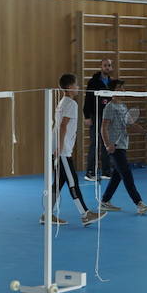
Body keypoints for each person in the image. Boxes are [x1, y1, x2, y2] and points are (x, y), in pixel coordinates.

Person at [48, 73, 104, 227]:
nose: (78, 87)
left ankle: (47, 215)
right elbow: (63, 126)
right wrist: (60, 147)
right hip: (62, 150)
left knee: (58, 184)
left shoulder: (62, 102)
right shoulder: (71, 104)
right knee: (73, 181)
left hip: (59, 148)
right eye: (76, 85)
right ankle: (85, 214)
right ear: (70, 87)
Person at [98, 79, 147, 214]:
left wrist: (144, 131)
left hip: (122, 144)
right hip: (114, 147)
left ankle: (105, 201)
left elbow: (131, 124)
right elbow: (103, 127)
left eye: (123, 87)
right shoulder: (110, 107)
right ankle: (139, 203)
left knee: (117, 175)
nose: (123, 90)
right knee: (126, 173)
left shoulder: (123, 106)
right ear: (113, 91)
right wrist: (107, 144)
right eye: (120, 88)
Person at [83, 59, 115, 181]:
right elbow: (88, 99)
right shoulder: (93, 82)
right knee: (94, 144)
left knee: (107, 143)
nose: (107, 67)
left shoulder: (112, 82)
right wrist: (87, 116)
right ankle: (90, 172)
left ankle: (107, 172)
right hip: (96, 116)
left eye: (109, 66)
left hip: (108, 117)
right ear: (101, 67)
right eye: (105, 65)